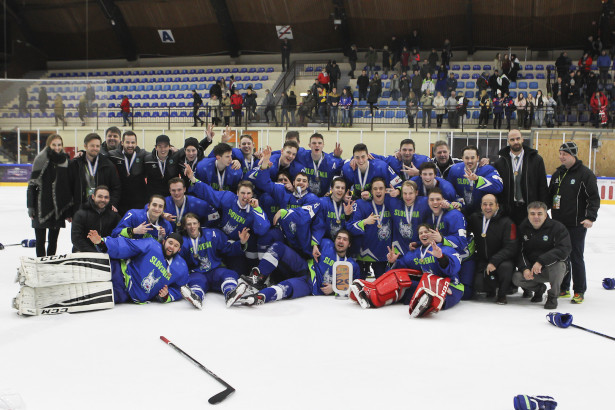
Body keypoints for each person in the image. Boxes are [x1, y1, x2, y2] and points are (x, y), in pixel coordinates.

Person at [350, 223, 463, 317]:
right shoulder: (416, 253)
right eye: (420, 233)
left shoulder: (445, 248)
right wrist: (393, 261)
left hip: (451, 286)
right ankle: (372, 294)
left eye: (426, 232)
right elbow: (401, 267)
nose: (423, 234)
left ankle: (427, 302)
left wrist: (441, 257)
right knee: (399, 281)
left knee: (437, 289)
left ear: (433, 233)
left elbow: (454, 269)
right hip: (426, 286)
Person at [235, 226, 358, 306]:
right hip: (304, 267)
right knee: (278, 246)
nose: (341, 241)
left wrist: (335, 288)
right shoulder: (326, 243)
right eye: (339, 238)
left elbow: (354, 287)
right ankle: (258, 278)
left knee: (286, 288)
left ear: (350, 244)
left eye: (345, 239)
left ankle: (259, 298)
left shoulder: (351, 264)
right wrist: (314, 245)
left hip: (310, 285)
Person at [547, 142, 600, 304]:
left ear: (573, 155)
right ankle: (564, 287)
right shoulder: (558, 174)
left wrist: (590, 217)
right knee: (561, 257)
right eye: (560, 153)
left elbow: (593, 198)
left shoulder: (585, 174)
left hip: (577, 223)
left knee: (576, 256)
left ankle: (579, 290)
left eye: (565, 154)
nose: (561, 156)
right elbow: (550, 197)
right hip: (558, 224)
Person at [86, 231, 189, 304]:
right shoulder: (151, 245)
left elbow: (179, 289)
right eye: (170, 243)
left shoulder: (181, 268)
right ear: (164, 241)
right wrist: (102, 243)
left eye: (176, 245)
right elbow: (127, 245)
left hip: (124, 294)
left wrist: (166, 295)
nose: (171, 247)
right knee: (85, 274)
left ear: (179, 250)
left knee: (88, 297)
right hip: (118, 273)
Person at [178, 213, 251, 309]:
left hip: (215, 270)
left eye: (194, 223)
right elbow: (179, 262)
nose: (192, 226)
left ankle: (230, 293)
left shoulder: (212, 234)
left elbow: (227, 248)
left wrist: (241, 243)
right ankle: (196, 297)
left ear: (199, 224)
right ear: (184, 227)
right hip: (197, 272)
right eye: (189, 224)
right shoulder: (181, 241)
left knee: (228, 274)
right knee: (196, 281)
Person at [512, 201, 571, 310]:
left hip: (552, 269)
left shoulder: (557, 227)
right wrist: (525, 268)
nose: (536, 217)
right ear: (528, 215)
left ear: (546, 215)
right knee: (516, 277)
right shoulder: (522, 228)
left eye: (539, 213)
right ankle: (539, 289)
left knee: (559, 266)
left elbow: (564, 249)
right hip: (533, 270)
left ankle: (553, 296)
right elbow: (519, 251)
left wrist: (541, 261)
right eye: (532, 214)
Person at [27, 134, 73, 257]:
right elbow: (32, 185)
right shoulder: (40, 159)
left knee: (53, 241)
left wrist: (68, 210)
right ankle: (41, 264)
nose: (57, 148)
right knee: (40, 241)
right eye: (54, 145)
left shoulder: (65, 161)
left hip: (58, 208)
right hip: (41, 206)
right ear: (49, 145)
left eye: (59, 145)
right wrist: (30, 206)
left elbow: (68, 186)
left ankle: (51, 262)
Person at [468, 194, 517, 304]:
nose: (488, 207)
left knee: (506, 267)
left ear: (497, 206)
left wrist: (494, 261)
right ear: (481, 206)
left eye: (491, 204)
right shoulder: (475, 219)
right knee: (478, 285)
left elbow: (511, 247)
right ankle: (490, 289)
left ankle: (502, 294)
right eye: (485, 204)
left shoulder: (507, 222)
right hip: (483, 259)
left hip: (501, 260)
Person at [494, 129, 549, 226]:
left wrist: (543, 207)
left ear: (522, 139)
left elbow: (542, 185)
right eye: (512, 139)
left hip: (530, 208)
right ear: (508, 141)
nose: (515, 142)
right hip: (509, 209)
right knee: (511, 239)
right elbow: (497, 188)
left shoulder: (536, 160)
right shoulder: (500, 163)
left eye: (518, 138)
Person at [348, 177, 396, 279]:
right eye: (375, 189)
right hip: (363, 255)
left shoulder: (391, 204)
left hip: (383, 256)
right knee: (359, 287)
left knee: (382, 289)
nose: (378, 191)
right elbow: (350, 227)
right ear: (371, 191)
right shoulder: (361, 204)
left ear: (385, 190)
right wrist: (364, 222)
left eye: (381, 188)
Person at [68, 133, 121, 215]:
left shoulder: (108, 165)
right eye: (92, 146)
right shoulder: (75, 164)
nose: (95, 148)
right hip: (80, 209)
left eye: (97, 146)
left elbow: (116, 187)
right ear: (85, 146)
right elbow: (69, 188)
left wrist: (112, 203)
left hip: (102, 210)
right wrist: (69, 210)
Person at [446, 145, 503, 216]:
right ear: (462, 158)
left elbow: (498, 187)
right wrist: (455, 202)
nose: (470, 161)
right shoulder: (455, 170)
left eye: (472, 158)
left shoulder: (487, 169)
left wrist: (478, 179)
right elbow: (448, 190)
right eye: (467, 158)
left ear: (478, 158)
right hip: (461, 210)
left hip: (482, 213)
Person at [108, 130, 148, 215]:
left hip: (139, 201)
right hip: (121, 201)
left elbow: (157, 154)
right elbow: (100, 153)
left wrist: (172, 150)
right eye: (127, 142)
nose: (130, 145)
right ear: (122, 143)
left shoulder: (142, 154)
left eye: (133, 142)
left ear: (136, 143)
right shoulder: (113, 155)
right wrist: (82, 152)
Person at [71, 186, 121, 253]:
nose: (103, 200)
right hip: (84, 252)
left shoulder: (114, 216)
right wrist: (94, 253)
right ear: (93, 197)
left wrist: (107, 250)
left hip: (107, 253)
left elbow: (119, 235)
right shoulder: (80, 214)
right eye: (100, 196)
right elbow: (76, 238)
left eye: (106, 197)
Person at [389, 180, 430, 255]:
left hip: (417, 247)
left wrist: (453, 205)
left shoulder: (424, 202)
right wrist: (369, 195)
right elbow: (378, 195)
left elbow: (438, 201)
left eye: (411, 193)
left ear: (416, 193)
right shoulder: (394, 201)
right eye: (405, 193)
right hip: (398, 249)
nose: (407, 197)